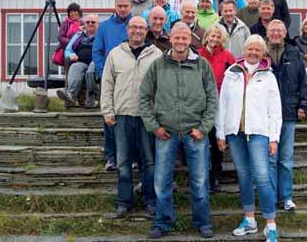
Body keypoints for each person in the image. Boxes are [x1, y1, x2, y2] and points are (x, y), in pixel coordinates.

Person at [139, 22, 217, 239]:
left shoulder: (202, 65)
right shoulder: (157, 65)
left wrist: (204, 128)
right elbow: (144, 97)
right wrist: (154, 127)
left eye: (185, 38)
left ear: (190, 40)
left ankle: (203, 222)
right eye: (177, 38)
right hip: (167, 133)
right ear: (170, 39)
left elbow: (212, 98)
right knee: (162, 181)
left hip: (196, 133)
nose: (181, 42)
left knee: (200, 181)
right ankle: (163, 223)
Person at [216, 35, 281, 242]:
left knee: (262, 177)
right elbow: (222, 104)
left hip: (259, 132)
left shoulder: (268, 76)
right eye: (250, 49)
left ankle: (271, 225)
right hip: (235, 133)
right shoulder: (232, 72)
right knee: (243, 176)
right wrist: (220, 132)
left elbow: (275, 109)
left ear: (263, 53)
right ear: (244, 51)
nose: (253, 53)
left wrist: (274, 138)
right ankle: (249, 220)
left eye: (258, 50)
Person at [101, 16, 162, 219]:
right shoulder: (115, 54)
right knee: (124, 162)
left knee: (149, 161)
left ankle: (150, 201)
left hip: (147, 117)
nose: (138, 31)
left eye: (142, 28)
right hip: (122, 115)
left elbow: (163, 89)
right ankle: (124, 203)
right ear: (127, 29)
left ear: (147, 31)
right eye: (134, 27)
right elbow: (107, 84)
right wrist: (108, 111)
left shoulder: (156, 55)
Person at [266, 19, 307, 212]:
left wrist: (303, 105)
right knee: (270, 159)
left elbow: (303, 82)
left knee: (286, 159)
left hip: (289, 113)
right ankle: (271, 198)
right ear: (267, 33)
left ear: (284, 33)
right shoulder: (261, 53)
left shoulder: (294, 53)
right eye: (272, 30)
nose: (275, 33)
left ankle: (286, 197)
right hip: (265, 116)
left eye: (279, 30)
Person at [93, 0, 133, 171]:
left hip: (130, 79)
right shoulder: (104, 27)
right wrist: (103, 74)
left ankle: (131, 157)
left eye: (126, 6)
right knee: (109, 118)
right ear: (115, 6)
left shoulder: (136, 25)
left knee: (131, 120)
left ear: (130, 6)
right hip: (110, 79)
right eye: (120, 6)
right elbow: (97, 51)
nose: (123, 9)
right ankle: (111, 157)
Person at [198, 24, 236, 193]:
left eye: (218, 37)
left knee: (217, 140)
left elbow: (235, 77)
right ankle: (202, 176)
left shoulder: (227, 56)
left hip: (220, 103)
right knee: (201, 141)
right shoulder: (198, 55)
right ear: (206, 37)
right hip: (200, 104)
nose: (214, 39)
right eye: (212, 36)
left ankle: (215, 176)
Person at [57, 14, 99, 108]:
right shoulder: (79, 35)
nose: (90, 24)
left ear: (98, 24)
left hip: (97, 61)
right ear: (84, 23)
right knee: (74, 67)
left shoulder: (102, 35)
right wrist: (70, 55)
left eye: (93, 22)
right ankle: (71, 96)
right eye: (88, 22)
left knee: (90, 71)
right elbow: (68, 49)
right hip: (81, 61)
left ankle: (91, 97)